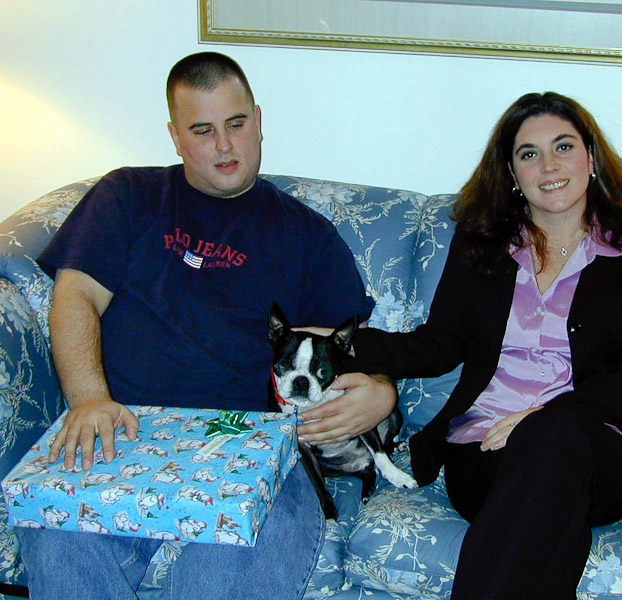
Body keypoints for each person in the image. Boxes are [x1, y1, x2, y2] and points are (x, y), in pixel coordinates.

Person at [15, 52, 397, 600]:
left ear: (258, 121)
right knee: (62, 543)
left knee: (222, 578)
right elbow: (75, 297)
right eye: (202, 130)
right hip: (125, 429)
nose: (224, 146)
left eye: (236, 124)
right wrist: (89, 400)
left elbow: (343, 349)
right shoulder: (128, 195)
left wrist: (380, 391)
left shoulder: (308, 236)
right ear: (175, 136)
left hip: (257, 443)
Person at [304, 92, 622, 599]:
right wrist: (340, 346)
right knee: (542, 504)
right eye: (529, 154)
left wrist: (548, 417)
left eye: (563, 146)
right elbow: (440, 344)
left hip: (597, 447)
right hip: (485, 447)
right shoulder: (481, 243)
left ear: (592, 157)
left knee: (554, 442)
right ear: (511, 172)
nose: (548, 166)